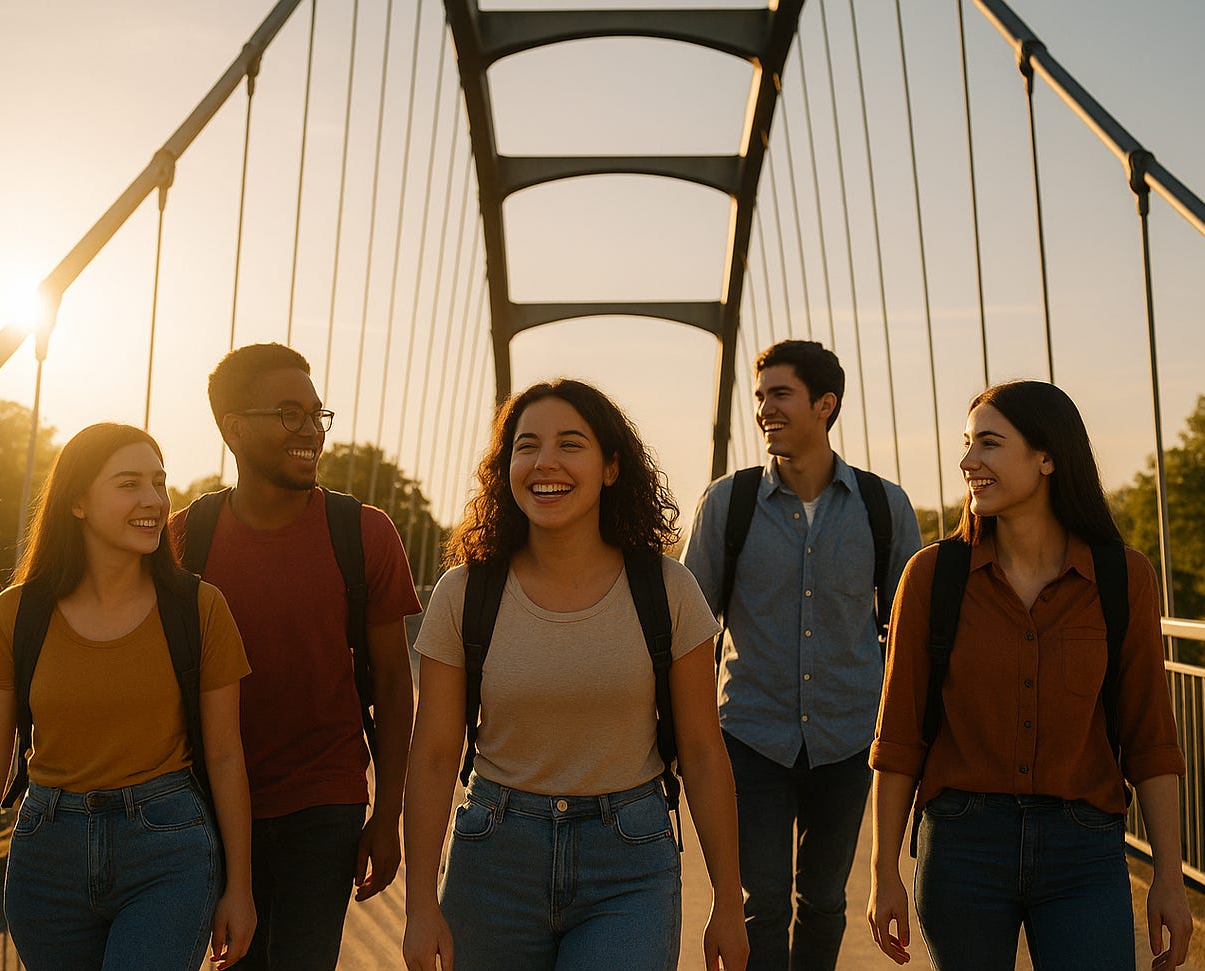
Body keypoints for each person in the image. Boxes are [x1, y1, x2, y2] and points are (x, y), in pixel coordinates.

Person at [402, 378, 748, 971]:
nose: (545, 463)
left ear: (612, 467)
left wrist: (728, 903)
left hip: (629, 864)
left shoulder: (667, 591)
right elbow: (434, 755)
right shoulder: (465, 593)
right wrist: (418, 908)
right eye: (526, 445)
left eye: (570, 444)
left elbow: (702, 750)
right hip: (493, 860)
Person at [867, 380, 1193, 970]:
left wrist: (1170, 877)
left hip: (1085, 848)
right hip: (962, 845)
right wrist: (883, 871)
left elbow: (1151, 740)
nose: (969, 463)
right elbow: (898, 742)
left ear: (1047, 457)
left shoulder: (1124, 580)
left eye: (988, 444)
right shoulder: (931, 579)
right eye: (967, 445)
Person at [0, 423, 254, 971]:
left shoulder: (198, 610)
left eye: (159, 482)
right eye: (129, 484)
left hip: (168, 850)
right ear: (77, 501)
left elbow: (225, 755)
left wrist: (240, 888)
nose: (153, 500)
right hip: (45, 854)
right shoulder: (16, 615)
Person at [169, 342, 422, 970]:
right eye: (288, 413)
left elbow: (393, 683)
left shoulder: (364, 534)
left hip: (324, 801)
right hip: (204, 805)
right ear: (232, 427)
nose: (311, 430)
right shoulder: (181, 542)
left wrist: (387, 813)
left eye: (317, 414)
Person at [682, 339, 921, 969]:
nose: (764, 410)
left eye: (779, 395)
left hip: (848, 740)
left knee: (824, 900)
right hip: (749, 737)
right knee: (760, 902)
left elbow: (910, 635)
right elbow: (686, 630)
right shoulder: (726, 505)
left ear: (825, 404)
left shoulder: (883, 507)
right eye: (759, 397)